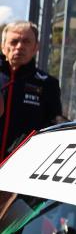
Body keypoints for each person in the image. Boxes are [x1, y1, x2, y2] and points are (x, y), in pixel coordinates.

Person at [0, 21, 64, 155]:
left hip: (22, 166)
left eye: (26, 41)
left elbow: (54, 129)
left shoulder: (48, 84)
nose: (19, 47)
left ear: (36, 47)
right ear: (3, 46)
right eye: (14, 41)